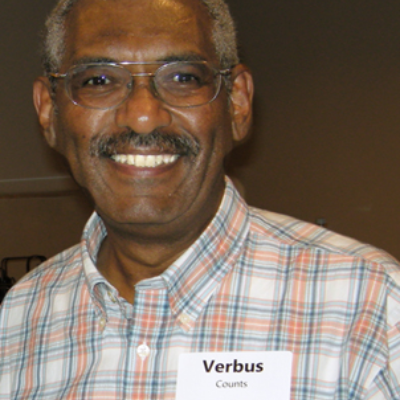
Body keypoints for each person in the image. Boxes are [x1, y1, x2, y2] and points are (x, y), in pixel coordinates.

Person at [0, 0, 399, 398]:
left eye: (183, 77)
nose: (143, 115)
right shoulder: (18, 319)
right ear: (49, 112)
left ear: (237, 103)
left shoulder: (372, 308)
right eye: (99, 80)